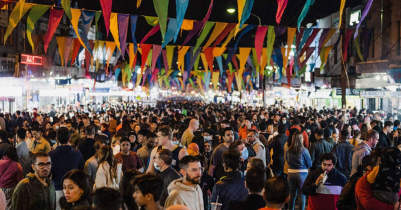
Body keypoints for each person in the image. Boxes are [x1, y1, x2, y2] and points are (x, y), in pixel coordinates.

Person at [48, 127, 84, 210]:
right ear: (69, 138)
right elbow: (81, 168)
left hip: (58, 188)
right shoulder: (76, 153)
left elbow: (49, 172)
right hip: (74, 188)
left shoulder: (51, 154)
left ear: (57, 139)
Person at [286, 132, 312, 210]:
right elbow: (310, 163)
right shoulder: (304, 150)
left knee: (291, 194)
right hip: (302, 173)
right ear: (300, 139)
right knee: (302, 195)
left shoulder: (288, 150)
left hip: (290, 173)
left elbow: (287, 161)